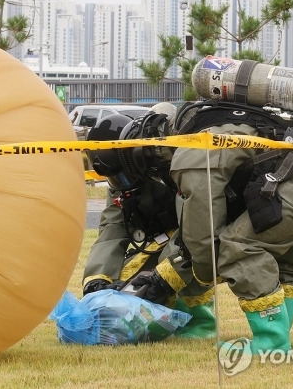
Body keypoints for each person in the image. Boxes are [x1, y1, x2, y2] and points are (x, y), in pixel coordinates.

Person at [163, 63, 293, 354]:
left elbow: (203, 222)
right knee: (291, 257)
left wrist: (203, 271)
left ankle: (271, 343)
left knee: (239, 247)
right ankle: (279, 333)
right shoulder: (228, 115)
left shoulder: (195, 143)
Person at [81, 104, 216, 339]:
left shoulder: (171, 168)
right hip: (160, 239)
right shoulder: (118, 184)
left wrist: (163, 277)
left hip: (197, 236)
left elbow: (196, 228)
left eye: (120, 176)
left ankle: (201, 324)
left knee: (176, 269)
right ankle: (163, 319)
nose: (118, 182)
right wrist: (97, 281)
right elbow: (111, 230)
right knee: (127, 282)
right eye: (112, 178)